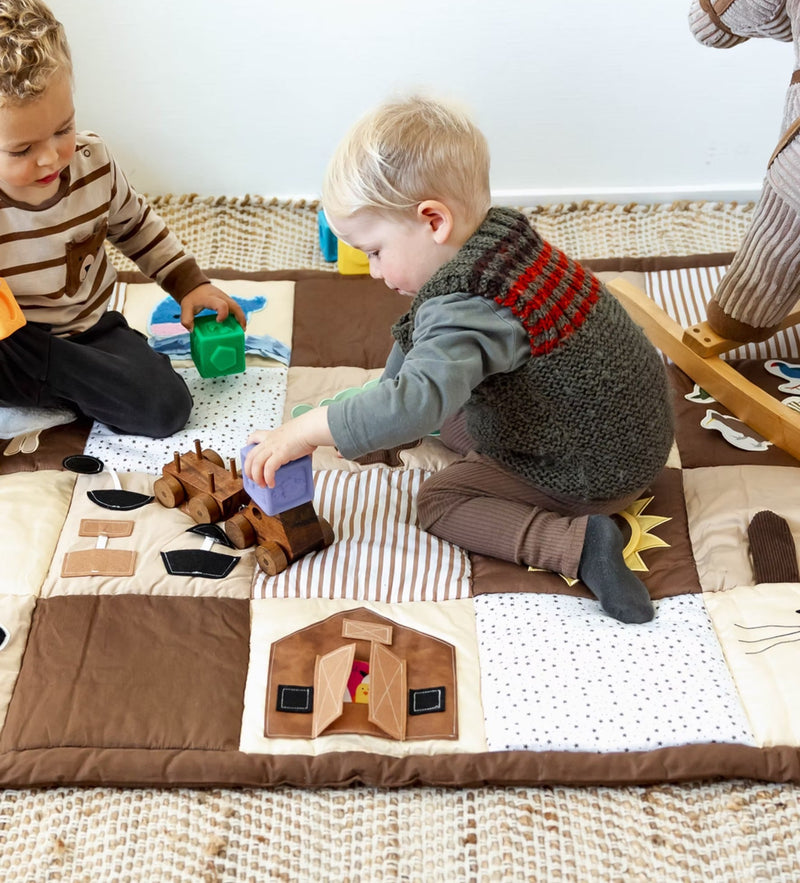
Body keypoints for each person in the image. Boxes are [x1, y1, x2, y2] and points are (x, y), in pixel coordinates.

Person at [245, 96, 674, 623]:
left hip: (590, 469)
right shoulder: (496, 246)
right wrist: (372, 414)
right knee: (443, 407)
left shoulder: (468, 305)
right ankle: (383, 428)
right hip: (624, 428)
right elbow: (419, 351)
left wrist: (313, 429)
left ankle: (579, 543)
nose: (375, 272)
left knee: (439, 501)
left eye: (375, 251)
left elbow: (417, 397)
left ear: (433, 220)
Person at [0, 0, 245, 438]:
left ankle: (48, 394)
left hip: (88, 336)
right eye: (21, 150)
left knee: (166, 406)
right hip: (12, 346)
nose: (51, 157)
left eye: (63, 128)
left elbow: (138, 228)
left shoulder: (94, 165)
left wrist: (190, 285)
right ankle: (51, 391)